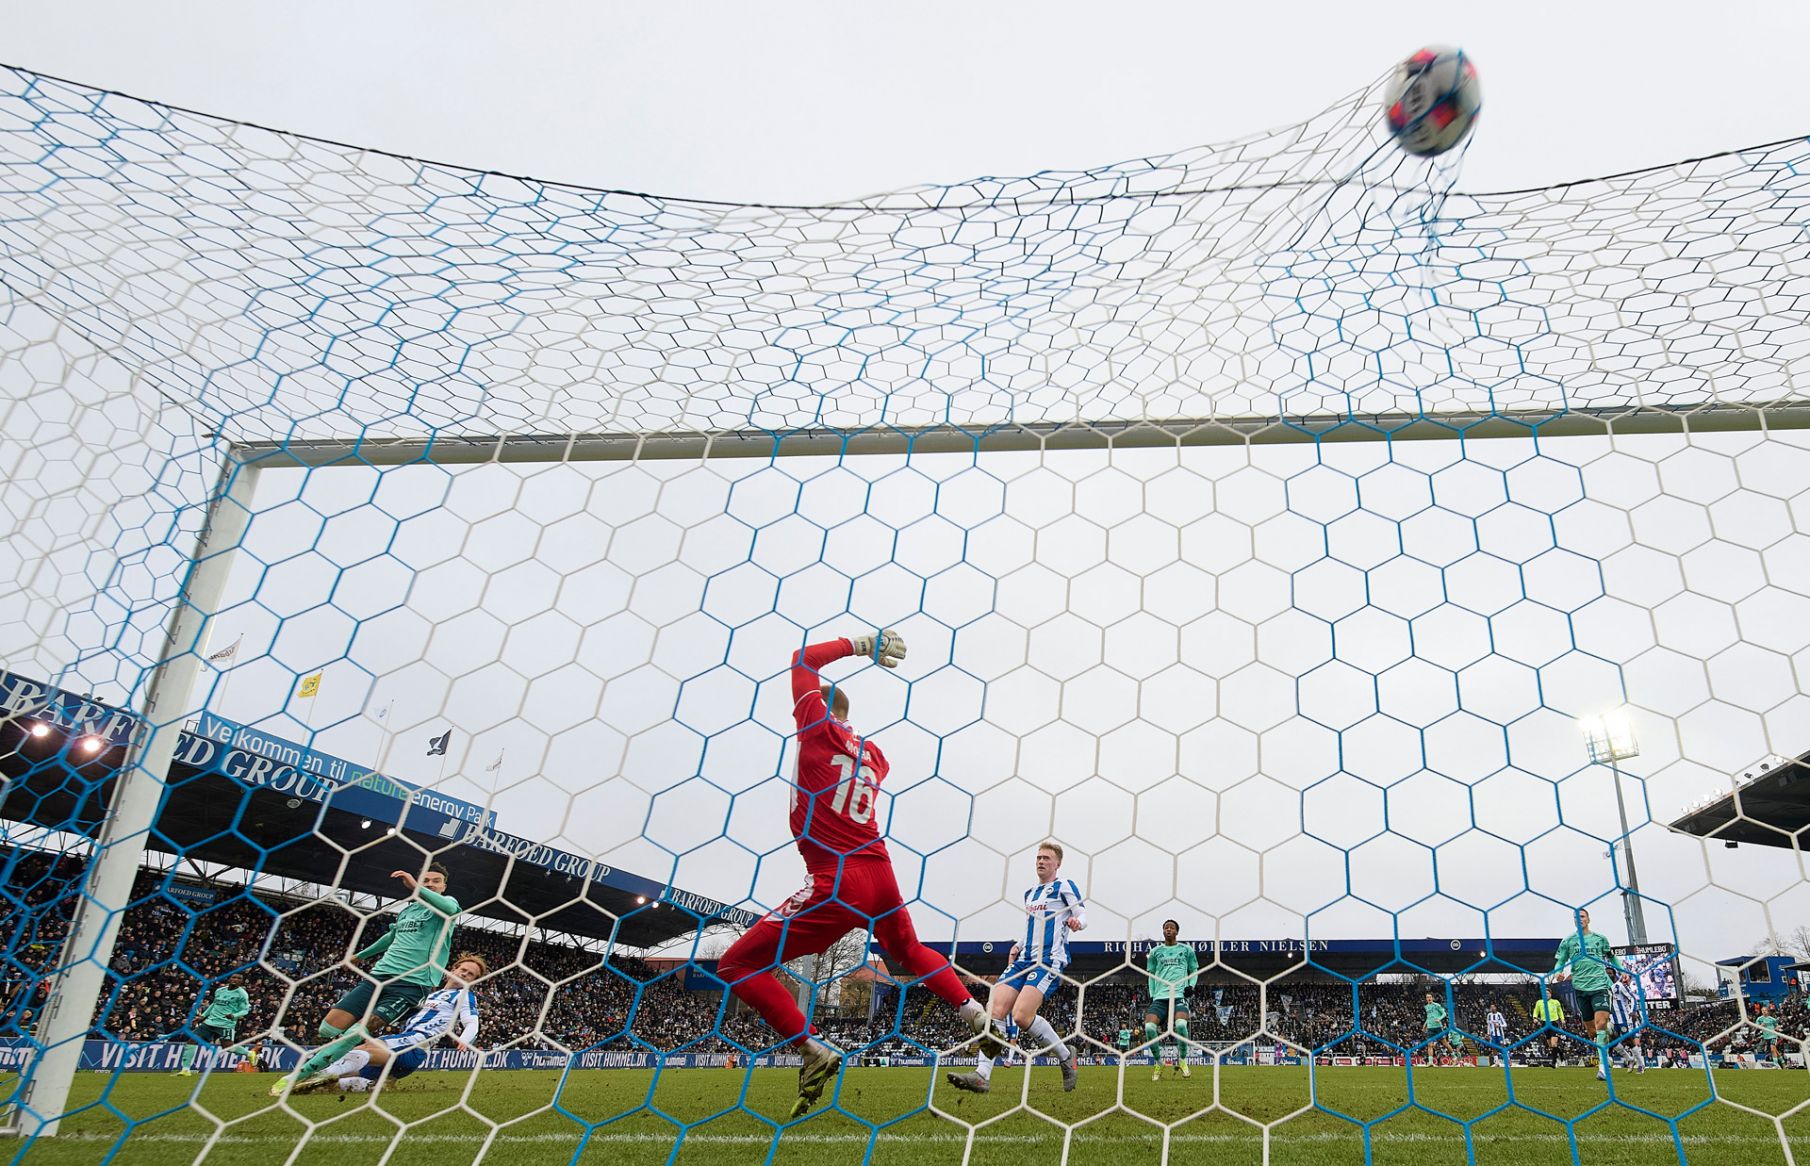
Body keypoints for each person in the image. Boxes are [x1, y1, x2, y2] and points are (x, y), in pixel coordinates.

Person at [713, 630, 1000, 1119]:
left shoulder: (816, 726)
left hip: (835, 877)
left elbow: (803, 657)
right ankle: (974, 1014)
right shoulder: (874, 755)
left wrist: (864, 644)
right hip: (880, 873)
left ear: (819, 706)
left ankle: (811, 1048)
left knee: (736, 965)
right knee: (909, 950)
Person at [284, 865, 461, 1096]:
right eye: (425, 880)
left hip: (412, 984)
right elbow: (391, 937)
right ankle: (330, 1062)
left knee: (358, 1031)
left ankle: (306, 1074)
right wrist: (360, 956)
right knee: (327, 1028)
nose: (430, 885)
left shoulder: (446, 907)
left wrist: (415, 887)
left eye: (435, 881)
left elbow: (448, 907)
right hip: (379, 976)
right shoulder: (407, 912)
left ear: (444, 886)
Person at [946, 842, 1085, 1096]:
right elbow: (1032, 925)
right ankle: (982, 1076)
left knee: (1021, 1017)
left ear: (1057, 864)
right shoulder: (1030, 893)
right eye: (1038, 857)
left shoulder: (1064, 886)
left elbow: (1081, 913)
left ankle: (1066, 1056)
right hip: (1024, 959)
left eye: (1046, 858)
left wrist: (1078, 922)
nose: (1041, 862)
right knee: (994, 1011)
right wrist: (1019, 945)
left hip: (1048, 960)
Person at [277, 953, 485, 1096]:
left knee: (359, 1048)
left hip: (414, 1045)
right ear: (453, 969)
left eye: (471, 975)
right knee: (344, 1076)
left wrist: (464, 1040)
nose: (464, 975)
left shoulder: (465, 995)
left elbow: (472, 1022)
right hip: (403, 1048)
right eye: (463, 970)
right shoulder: (433, 994)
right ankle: (364, 1085)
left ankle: (317, 1074)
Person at [1549, 907, 1623, 1080]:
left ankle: (1603, 1067)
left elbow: (1611, 957)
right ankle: (1610, 1032)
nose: (1579, 919)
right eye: (1576, 917)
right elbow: (1560, 961)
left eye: (1582, 916)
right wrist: (1557, 972)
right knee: (1592, 1032)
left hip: (1600, 985)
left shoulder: (1600, 939)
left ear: (1588, 919)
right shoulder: (1568, 941)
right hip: (1581, 988)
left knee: (1601, 1022)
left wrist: (1622, 971)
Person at [1144, 919, 1198, 1081]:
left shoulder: (1186, 950)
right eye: (1166, 927)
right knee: (1149, 1028)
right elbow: (1151, 976)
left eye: (1171, 928)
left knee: (1181, 1025)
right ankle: (1159, 1062)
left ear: (1177, 932)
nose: (1168, 930)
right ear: (1163, 931)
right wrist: (1152, 995)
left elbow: (1194, 970)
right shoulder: (1155, 952)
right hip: (1160, 997)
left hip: (1179, 995)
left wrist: (1191, 986)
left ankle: (1182, 1060)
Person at [175, 972, 250, 1077]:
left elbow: (245, 1010)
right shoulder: (220, 990)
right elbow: (214, 1004)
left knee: (228, 1047)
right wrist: (203, 1016)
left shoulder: (242, 994)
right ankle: (185, 1069)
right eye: (233, 977)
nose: (235, 979)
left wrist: (234, 1015)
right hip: (210, 1022)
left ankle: (249, 1054)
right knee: (191, 1041)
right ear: (229, 979)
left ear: (241, 981)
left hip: (226, 1024)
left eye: (238, 978)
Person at [1610, 972, 1646, 1073]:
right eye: (1606, 973)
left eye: (1610, 973)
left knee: (1629, 1041)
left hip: (1623, 1019)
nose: (1608, 975)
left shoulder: (1620, 986)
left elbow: (1633, 998)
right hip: (1612, 1019)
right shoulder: (1607, 987)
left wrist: (1633, 1011)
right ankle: (1629, 1059)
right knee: (1613, 1041)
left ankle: (1641, 1064)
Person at [1531, 993, 1566, 1066]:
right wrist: (1534, 1018)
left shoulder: (1555, 1002)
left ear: (1551, 994)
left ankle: (1554, 1062)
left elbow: (1560, 1011)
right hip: (1545, 1024)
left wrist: (1562, 1019)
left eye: (1548, 993)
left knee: (1554, 1043)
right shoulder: (1539, 1002)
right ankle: (1561, 1054)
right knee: (1551, 1046)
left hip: (1554, 1023)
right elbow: (1536, 1011)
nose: (1546, 995)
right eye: (1545, 993)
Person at [1422, 992, 1447, 1067]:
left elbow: (1444, 1014)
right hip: (1430, 1028)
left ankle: (1454, 1056)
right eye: (1427, 997)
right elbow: (1428, 1017)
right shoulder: (1426, 1007)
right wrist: (1425, 1025)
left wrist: (1439, 1019)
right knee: (1429, 1045)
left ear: (1432, 998)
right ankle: (1430, 1062)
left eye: (1430, 997)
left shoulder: (1437, 1005)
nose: (1428, 998)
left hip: (1438, 1027)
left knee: (1445, 1043)